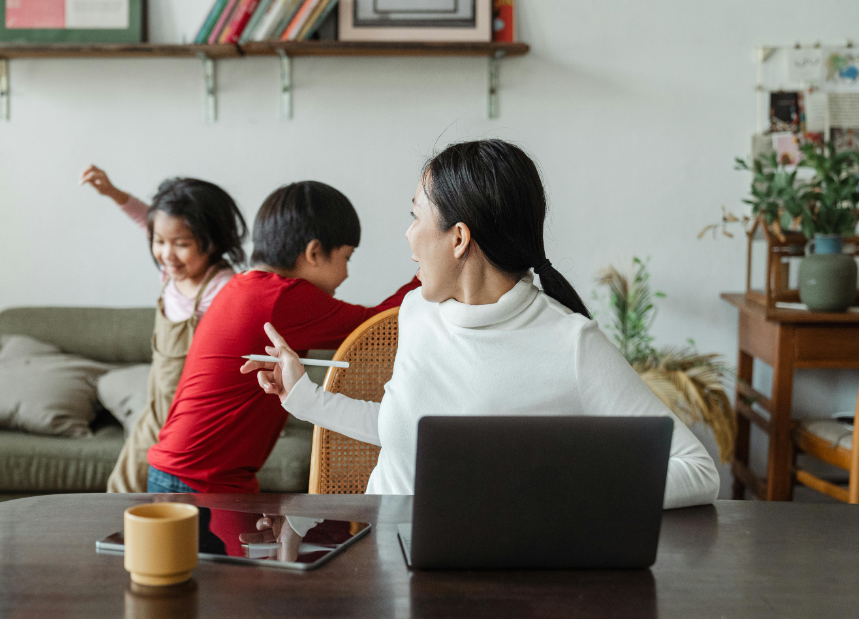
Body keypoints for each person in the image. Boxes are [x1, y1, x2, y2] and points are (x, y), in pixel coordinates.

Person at [242, 140, 720, 510]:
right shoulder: (417, 312)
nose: (408, 235)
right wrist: (303, 397)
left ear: (459, 238)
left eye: (415, 216)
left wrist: (558, 488)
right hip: (383, 560)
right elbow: (404, 431)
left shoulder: (571, 344)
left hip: (492, 575)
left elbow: (697, 470)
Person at [145, 181, 421, 494]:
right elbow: (375, 329)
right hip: (198, 481)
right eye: (347, 258)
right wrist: (429, 268)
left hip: (187, 472)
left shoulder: (245, 287)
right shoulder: (280, 298)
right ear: (314, 252)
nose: (345, 274)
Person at [79, 165, 248, 493]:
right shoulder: (173, 274)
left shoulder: (221, 289)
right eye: (159, 242)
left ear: (212, 241)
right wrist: (115, 194)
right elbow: (150, 221)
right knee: (123, 485)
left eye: (182, 244)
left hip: (189, 416)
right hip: (156, 405)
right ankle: (122, 540)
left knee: (155, 491)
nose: (167, 254)